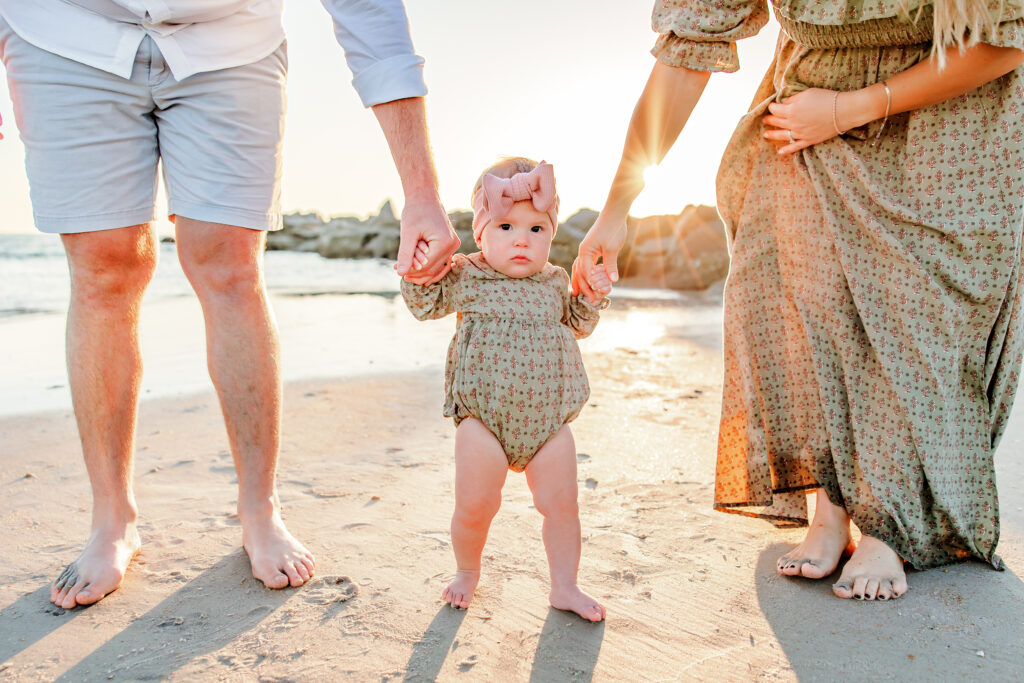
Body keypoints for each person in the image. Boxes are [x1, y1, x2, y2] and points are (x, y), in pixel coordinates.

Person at [0, 0, 460, 610]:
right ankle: (112, 519)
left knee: (229, 264)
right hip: (62, 34)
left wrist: (421, 192)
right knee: (104, 270)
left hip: (230, 41)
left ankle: (260, 508)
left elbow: (366, 10)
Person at [573, 0, 1024, 601]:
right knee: (789, 301)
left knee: (911, 315)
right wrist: (615, 211)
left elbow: (1008, 41)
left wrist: (853, 107)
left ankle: (889, 527)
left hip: (944, 116)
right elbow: (685, 56)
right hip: (802, 109)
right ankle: (829, 508)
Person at [401, 158, 610, 621]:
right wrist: (418, 270)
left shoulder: (555, 281)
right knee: (476, 506)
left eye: (537, 229)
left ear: (552, 234)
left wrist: (591, 298)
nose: (522, 239)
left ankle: (565, 586)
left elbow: (577, 325)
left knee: (563, 508)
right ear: (481, 232)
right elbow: (425, 304)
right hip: (483, 418)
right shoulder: (466, 274)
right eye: (507, 226)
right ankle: (466, 571)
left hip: (549, 422)